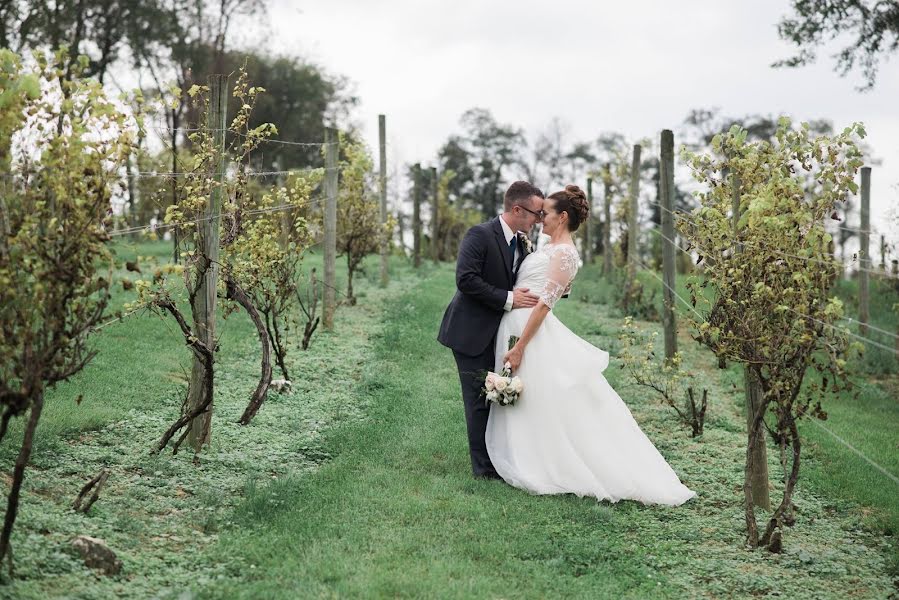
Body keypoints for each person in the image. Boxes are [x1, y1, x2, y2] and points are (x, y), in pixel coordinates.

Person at [485, 184, 697, 506]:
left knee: (543, 395)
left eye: (547, 214)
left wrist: (521, 346)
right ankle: (524, 452)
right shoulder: (545, 246)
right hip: (514, 322)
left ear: (563, 217)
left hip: (530, 330)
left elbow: (546, 304)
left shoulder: (567, 254)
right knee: (534, 397)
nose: (541, 219)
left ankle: (549, 462)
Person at [437, 181, 545, 479]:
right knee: (478, 399)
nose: (539, 220)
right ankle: (484, 471)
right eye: (536, 214)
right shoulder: (480, 235)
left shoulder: (522, 242)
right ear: (516, 209)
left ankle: (499, 459)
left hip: (498, 333)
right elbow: (466, 279)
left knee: (497, 395)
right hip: (469, 332)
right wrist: (509, 299)